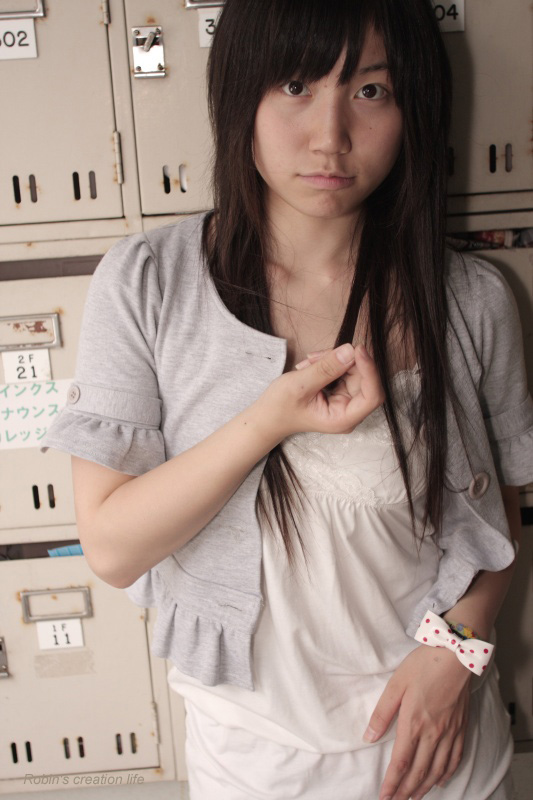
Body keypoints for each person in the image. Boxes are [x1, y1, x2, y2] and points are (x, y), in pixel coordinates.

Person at [42, 0, 533, 798]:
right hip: (255, 760)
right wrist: (268, 420)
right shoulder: (147, 284)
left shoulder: (472, 299)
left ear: (412, 106)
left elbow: (500, 516)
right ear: (240, 91)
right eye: (296, 85)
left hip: (440, 747)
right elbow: (111, 545)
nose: (329, 136)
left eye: (370, 91)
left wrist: (458, 651)